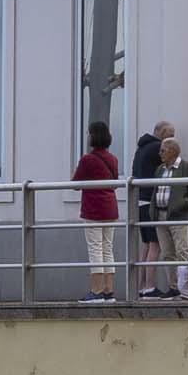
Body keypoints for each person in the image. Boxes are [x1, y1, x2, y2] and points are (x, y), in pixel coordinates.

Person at [73, 122, 123, 301]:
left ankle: (96, 291)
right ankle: (109, 291)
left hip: (93, 208)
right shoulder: (113, 159)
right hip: (110, 207)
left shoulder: (87, 159)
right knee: (108, 248)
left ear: (93, 136)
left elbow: (75, 183)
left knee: (95, 248)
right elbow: (115, 180)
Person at [129, 120, 177, 298]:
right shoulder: (158, 148)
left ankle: (142, 286)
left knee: (147, 245)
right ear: (161, 133)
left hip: (140, 200)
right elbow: (174, 166)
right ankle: (149, 287)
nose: (172, 139)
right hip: (151, 201)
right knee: (155, 245)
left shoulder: (141, 148)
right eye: (170, 134)